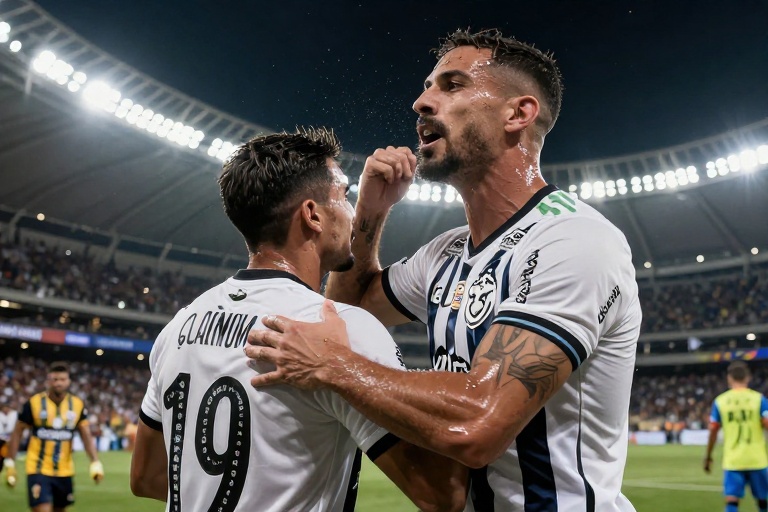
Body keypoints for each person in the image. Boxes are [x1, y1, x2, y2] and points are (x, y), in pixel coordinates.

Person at [245, 29, 642, 511]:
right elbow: (348, 307)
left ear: (518, 114)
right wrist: (372, 209)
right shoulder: (446, 252)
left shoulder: (573, 240)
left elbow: (480, 422)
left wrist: (332, 365)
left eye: (452, 85)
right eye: (427, 86)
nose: (421, 102)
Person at [130, 127, 467, 511]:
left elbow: (148, 477)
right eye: (344, 197)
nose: (351, 213)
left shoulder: (179, 326)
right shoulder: (338, 332)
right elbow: (443, 493)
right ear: (312, 215)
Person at [4, 361, 103, 512]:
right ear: (48, 380)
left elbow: (86, 435)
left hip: (65, 471)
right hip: (38, 469)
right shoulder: (34, 403)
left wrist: (95, 462)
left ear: (68, 381)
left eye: (62, 379)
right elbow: (17, 432)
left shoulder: (77, 404)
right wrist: (10, 462)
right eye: (55, 379)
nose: (58, 383)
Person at [705, 361, 768, 512]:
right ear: (748, 378)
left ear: (729, 378)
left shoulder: (720, 401)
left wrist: (708, 456)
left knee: (732, 502)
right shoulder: (759, 399)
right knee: (763, 502)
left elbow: (713, 431)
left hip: (733, 460)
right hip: (757, 459)